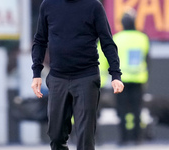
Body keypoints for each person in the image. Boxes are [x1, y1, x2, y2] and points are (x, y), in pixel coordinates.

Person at [31, 0, 124, 150]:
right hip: (57, 78)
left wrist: (115, 75)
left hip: (86, 77)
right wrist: (36, 73)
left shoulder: (94, 6)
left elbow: (107, 42)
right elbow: (40, 40)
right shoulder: (48, 5)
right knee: (55, 136)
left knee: (85, 139)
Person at [113, 9, 150, 145]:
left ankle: (123, 139)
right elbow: (147, 60)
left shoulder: (117, 38)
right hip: (138, 79)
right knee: (137, 110)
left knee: (121, 110)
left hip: (121, 80)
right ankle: (137, 139)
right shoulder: (142, 38)